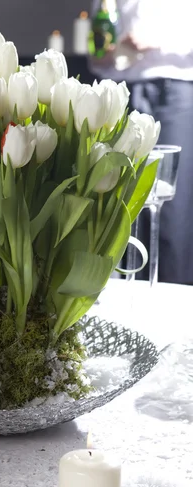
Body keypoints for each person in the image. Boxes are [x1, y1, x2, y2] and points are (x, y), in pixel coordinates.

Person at [90, 0, 193, 284]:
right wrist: (106, 52)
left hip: (174, 90)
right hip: (123, 90)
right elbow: (96, 56)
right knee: (120, 202)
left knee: (172, 206)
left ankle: (176, 309)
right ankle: (125, 304)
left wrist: (155, 43)